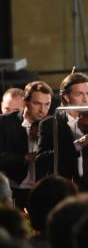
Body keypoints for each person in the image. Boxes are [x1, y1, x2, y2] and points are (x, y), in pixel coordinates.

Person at [37, 72, 88, 197]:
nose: (85, 99)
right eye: (79, 94)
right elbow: (42, 160)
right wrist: (77, 145)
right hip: (65, 191)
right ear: (66, 97)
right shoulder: (50, 124)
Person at [0, 80, 53, 209]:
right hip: (14, 190)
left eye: (47, 104)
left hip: (42, 191)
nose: (42, 110)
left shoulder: (52, 125)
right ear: (25, 102)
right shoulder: (5, 122)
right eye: (37, 104)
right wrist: (24, 157)